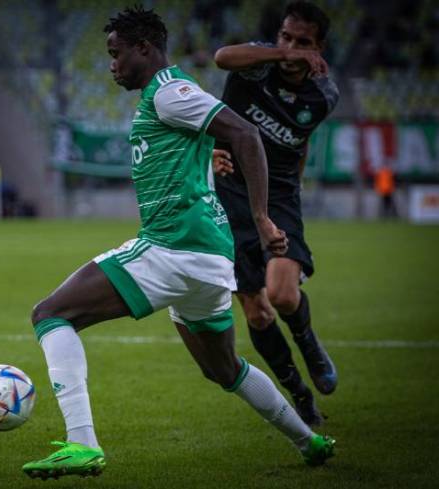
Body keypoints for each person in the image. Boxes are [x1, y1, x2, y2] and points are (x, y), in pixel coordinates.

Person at [21, 6, 335, 480]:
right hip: (210, 261)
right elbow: (206, 146)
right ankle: (309, 441)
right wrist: (210, 163)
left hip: (173, 247)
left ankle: (82, 443)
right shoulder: (169, 95)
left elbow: (246, 133)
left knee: (50, 314)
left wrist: (261, 218)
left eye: (116, 53)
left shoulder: (169, 92)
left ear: (144, 48)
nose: (112, 64)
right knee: (224, 369)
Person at [212, 1, 339, 427]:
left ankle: (310, 345)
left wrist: (293, 189)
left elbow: (300, 140)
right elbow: (222, 57)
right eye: (286, 37)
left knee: (282, 295)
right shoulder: (256, 65)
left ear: (319, 48)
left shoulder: (323, 95)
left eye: (303, 42)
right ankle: (299, 394)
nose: (291, 47)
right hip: (230, 195)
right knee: (257, 311)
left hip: (280, 194)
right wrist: (281, 52)